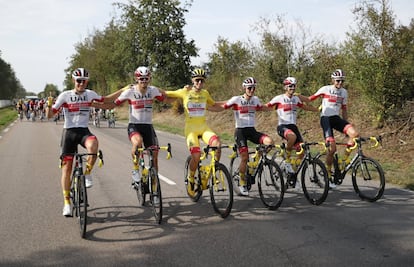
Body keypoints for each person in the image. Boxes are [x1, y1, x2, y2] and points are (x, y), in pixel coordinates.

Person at [46, 67, 123, 216]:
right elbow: (49, 115)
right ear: (73, 81)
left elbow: (106, 100)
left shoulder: (90, 94)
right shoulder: (65, 95)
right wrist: (49, 105)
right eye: (79, 81)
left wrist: (123, 90)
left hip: (83, 131)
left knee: (93, 145)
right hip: (69, 132)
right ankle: (67, 202)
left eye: (84, 81)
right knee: (67, 169)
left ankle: (87, 173)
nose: (81, 84)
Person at [165, 68, 223, 196]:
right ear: (192, 80)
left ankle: (213, 170)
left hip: (203, 127)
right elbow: (166, 93)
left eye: (202, 81)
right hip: (190, 129)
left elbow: (214, 105)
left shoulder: (205, 93)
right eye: (197, 80)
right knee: (196, 156)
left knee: (217, 146)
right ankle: (191, 178)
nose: (199, 83)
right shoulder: (184, 92)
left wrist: (231, 104)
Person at [112, 67, 166, 199]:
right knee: (138, 142)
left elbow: (164, 98)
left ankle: (154, 186)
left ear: (149, 79)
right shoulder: (130, 91)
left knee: (154, 155)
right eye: (141, 79)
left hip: (148, 127)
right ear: (136, 79)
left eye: (146, 78)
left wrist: (161, 89)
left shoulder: (152, 90)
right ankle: (135, 169)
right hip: (134, 125)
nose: (143, 81)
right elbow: (115, 102)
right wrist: (121, 91)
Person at [303, 69, 359, 188]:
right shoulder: (325, 89)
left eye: (342, 81)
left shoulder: (344, 92)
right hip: (326, 119)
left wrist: (346, 124)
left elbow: (344, 109)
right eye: (338, 81)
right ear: (333, 80)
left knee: (354, 134)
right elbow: (309, 99)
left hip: (336, 118)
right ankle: (327, 172)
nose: (340, 83)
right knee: (332, 149)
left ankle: (343, 160)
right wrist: (297, 96)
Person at [220, 77, 274, 196]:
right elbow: (223, 105)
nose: (252, 90)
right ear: (244, 88)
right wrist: (207, 104)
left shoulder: (255, 100)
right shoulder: (237, 99)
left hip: (252, 130)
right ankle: (242, 181)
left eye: (254, 88)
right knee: (244, 157)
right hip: (240, 132)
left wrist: (275, 106)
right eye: (249, 88)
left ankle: (255, 160)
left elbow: (262, 107)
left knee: (269, 142)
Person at [266, 77, 319, 188]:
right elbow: (266, 106)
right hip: (283, 126)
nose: (292, 88)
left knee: (302, 151)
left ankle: (292, 176)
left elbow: (304, 107)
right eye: (290, 86)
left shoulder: (295, 99)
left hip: (293, 126)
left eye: (294, 86)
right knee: (292, 137)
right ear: (285, 87)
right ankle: (287, 160)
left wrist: (318, 110)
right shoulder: (279, 98)